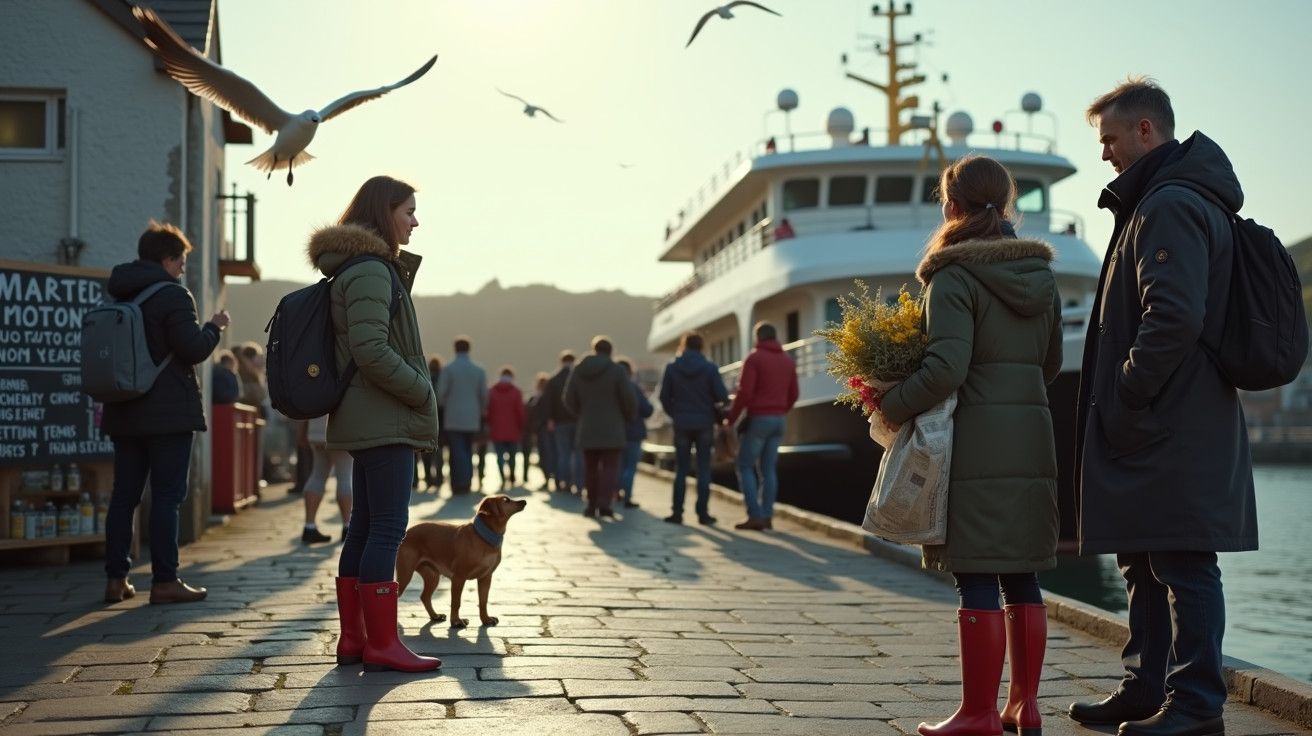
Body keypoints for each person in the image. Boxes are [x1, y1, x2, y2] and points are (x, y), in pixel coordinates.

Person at [1067, 78, 1255, 736]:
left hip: (1170, 419)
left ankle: (1197, 705)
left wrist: (1125, 391)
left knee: (1182, 558)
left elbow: (1172, 318)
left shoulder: (1169, 205)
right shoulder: (1160, 200)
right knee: (1143, 554)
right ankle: (1146, 686)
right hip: (1162, 419)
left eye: (1111, 139)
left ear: (1146, 131)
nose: (1105, 154)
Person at [876, 155, 1062, 736]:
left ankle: (979, 713)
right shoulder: (1043, 275)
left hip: (974, 442)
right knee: (1022, 571)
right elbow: (1051, 364)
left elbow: (946, 367)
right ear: (1006, 206)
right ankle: (1023, 707)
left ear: (951, 207)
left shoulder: (953, 275)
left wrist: (889, 403)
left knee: (976, 571)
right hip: (1033, 440)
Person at [310, 174, 440, 673]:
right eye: (408, 211)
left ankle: (355, 640)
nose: (415, 220)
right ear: (384, 211)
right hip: (384, 416)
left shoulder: (360, 268)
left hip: (370, 414)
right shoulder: (369, 271)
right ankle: (382, 643)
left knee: (364, 529)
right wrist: (419, 387)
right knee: (386, 528)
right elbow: (370, 349)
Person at [101, 220, 229, 605]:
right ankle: (164, 581)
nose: (183, 268)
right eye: (181, 260)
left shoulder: (119, 293)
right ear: (168, 259)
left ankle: (115, 579)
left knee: (124, 496)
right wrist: (214, 327)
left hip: (123, 408)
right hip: (168, 413)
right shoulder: (173, 295)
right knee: (168, 496)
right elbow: (191, 348)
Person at [726, 321, 799, 531]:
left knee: (745, 465)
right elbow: (794, 394)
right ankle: (767, 516)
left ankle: (755, 515)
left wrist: (730, 419)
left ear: (758, 337)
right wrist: (781, 410)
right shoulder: (787, 360)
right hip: (779, 420)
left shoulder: (754, 358)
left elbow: (745, 393)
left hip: (759, 419)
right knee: (768, 469)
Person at [658, 331, 728, 525]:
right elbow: (721, 396)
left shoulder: (672, 368)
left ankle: (677, 512)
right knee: (704, 468)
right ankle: (703, 514)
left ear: (684, 346)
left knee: (681, 469)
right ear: (701, 347)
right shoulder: (710, 368)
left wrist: (676, 413)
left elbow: (664, 397)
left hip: (681, 423)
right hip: (704, 423)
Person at [564, 336, 637, 518]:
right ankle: (604, 504)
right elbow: (629, 400)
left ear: (594, 349)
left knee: (590, 468)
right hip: (613, 428)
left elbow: (567, 398)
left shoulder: (579, 370)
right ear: (610, 351)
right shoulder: (617, 370)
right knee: (610, 468)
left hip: (587, 426)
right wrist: (626, 417)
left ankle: (590, 505)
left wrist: (581, 414)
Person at [436, 337, 488, 495]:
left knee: (457, 451)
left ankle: (459, 482)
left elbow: (440, 394)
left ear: (455, 349)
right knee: (467, 450)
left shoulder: (448, 369)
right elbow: (484, 395)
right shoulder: (479, 370)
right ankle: (467, 481)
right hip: (472, 417)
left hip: (453, 417)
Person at [301, 413, 353, 544]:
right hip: (340, 427)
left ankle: (309, 526)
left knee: (317, 475)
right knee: (345, 477)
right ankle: (348, 527)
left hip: (316, 428)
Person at [615, 358, 654, 508]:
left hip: (617, 432)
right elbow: (647, 410)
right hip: (634, 432)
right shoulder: (634, 387)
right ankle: (627, 496)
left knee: (618, 465)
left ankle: (616, 492)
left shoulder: (612, 389)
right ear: (630, 372)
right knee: (630, 466)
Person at [543, 351, 580, 494]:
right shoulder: (578, 378)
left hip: (560, 422)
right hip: (577, 421)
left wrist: (550, 419)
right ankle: (578, 483)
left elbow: (548, 403)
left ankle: (562, 481)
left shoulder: (553, 380)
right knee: (577, 455)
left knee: (562, 454)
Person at [486, 366, 526, 487]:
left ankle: (502, 477)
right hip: (513, 430)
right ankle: (512, 476)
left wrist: (489, 424)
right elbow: (520, 412)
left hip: (497, 430)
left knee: (499, 456)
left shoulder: (492, 391)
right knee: (512, 456)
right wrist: (522, 426)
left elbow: (489, 411)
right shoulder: (516, 392)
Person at [418, 355, 445, 489]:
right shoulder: (443, 379)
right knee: (438, 452)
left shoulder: (424, 377)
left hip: (425, 419)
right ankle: (439, 478)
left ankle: (428, 478)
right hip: (442, 421)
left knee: (425, 451)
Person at [526, 372, 556, 490]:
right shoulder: (551, 397)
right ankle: (552, 477)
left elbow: (531, 412)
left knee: (544, 454)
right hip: (548, 429)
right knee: (551, 454)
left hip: (541, 429)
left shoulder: (537, 398)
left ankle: (547, 477)